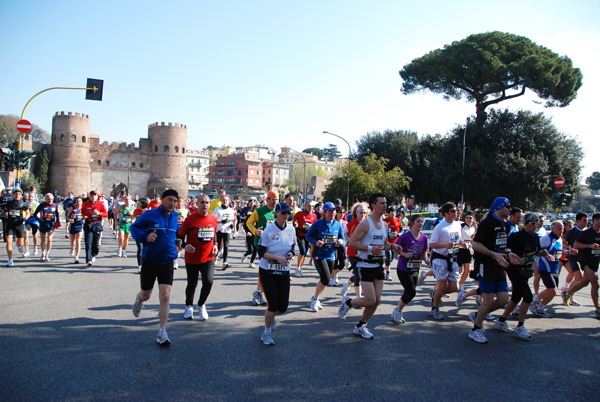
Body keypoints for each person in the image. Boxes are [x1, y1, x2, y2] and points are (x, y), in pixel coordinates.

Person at [338, 193, 402, 339]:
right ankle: (348, 301)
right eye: (381, 203)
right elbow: (352, 242)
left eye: (385, 203)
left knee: (377, 301)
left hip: (378, 265)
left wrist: (393, 247)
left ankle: (361, 326)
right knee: (370, 300)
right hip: (364, 265)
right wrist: (369, 249)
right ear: (373, 206)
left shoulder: (384, 224)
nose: (385, 206)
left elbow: (384, 244)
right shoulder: (366, 223)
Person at [130, 189, 180, 346]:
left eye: (175, 201)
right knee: (146, 294)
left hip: (167, 261)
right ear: (163, 200)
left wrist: (181, 245)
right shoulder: (150, 214)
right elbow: (134, 228)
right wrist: (145, 237)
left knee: (165, 296)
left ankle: (162, 331)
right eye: (170, 200)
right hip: (150, 260)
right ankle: (139, 300)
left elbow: (178, 234)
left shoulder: (176, 217)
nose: (172, 203)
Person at [468, 197, 519, 344]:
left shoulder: (504, 225)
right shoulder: (486, 223)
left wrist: (508, 253)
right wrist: (493, 254)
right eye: (508, 207)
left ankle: (478, 315)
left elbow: (502, 245)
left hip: (499, 265)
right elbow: (475, 244)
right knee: (488, 300)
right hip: (485, 265)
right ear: (499, 207)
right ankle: (475, 330)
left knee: (503, 299)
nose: (510, 210)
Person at [494, 212, 548, 340]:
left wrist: (542, 253)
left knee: (516, 296)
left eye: (537, 223)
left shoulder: (535, 237)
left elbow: (536, 251)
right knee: (528, 297)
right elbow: (504, 249)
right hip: (515, 270)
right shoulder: (516, 236)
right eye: (532, 223)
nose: (534, 226)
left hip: (526, 271)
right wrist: (513, 256)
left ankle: (501, 320)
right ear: (525, 223)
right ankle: (520, 326)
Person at [257, 202, 297, 345]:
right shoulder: (269, 230)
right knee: (273, 305)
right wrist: (277, 258)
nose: (286, 216)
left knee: (283, 307)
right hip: (268, 270)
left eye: (288, 213)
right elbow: (261, 252)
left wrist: (290, 254)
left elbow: (292, 246)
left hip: (283, 270)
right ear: (276, 214)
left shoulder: (291, 229)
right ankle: (266, 333)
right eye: (283, 213)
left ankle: (271, 316)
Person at [177, 194, 218, 321]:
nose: (205, 205)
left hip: (208, 257)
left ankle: (201, 304)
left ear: (209, 204)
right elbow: (178, 238)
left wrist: (215, 245)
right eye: (202, 202)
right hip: (192, 258)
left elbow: (214, 235)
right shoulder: (190, 219)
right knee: (192, 284)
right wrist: (185, 246)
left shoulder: (213, 219)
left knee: (208, 282)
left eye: (207, 202)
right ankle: (188, 306)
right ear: (197, 203)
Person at [427, 202, 465, 320]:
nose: (456, 213)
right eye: (453, 211)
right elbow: (432, 244)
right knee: (442, 286)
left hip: (452, 258)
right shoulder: (440, 227)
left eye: (456, 211)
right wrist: (445, 245)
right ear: (445, 213)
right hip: (440, 259)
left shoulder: (457, 225)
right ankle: (435, 309)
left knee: (455, 287)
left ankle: (435, 293)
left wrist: (464, 244)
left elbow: (458, 239)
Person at [306, 201, 345, 312]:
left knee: (326, 280)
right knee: (325, 278)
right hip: (319, 254)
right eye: (330, 211)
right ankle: (315, 299)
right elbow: (308, 236)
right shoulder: (318, 223)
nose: (332, 213)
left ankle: (316, 298)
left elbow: (342, 238)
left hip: (331, 255)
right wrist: (316, 242)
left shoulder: (337, 224)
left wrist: (341, 241)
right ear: (325, 212)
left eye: (334, 211)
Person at [392, 214, 430, 324]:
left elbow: (424, 252)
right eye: (418, 221)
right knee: (411, 292)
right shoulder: (405, 236)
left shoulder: (424, 238)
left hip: (415, 268)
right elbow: (395, 249)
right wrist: (404, 254)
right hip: (403, 268)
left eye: (422, 222)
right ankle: (397, 311)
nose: (421, 224)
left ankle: (397, 311)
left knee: (409, 293)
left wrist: (426, 259)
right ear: (412, 223)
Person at [530, 221, 571, 317]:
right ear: (552, 228)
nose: (561, 231)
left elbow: (560, 251)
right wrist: (545, 254)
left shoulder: (559, 239)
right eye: (559, 229)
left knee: (552, 293)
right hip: (545, 268)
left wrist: (569, 252)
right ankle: (534, 300)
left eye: (562, 229)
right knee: (553, 290)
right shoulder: (546, 239)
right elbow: (535, 249)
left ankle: (540, 308)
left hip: (554, 269)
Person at [246, 190, 278, 306]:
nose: (275, 202)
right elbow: (248, 223)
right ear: (268, 199)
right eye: (273, 199)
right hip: (261, 244)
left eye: (277, 199)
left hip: (274, 244)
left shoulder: (278, 211)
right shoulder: (259, 211)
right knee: (265, 269)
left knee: (269, 270)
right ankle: (258, 292)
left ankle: (259, 292)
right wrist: (256, 231)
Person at [567, 212, 600, 319]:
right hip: (586, 260)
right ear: (595, 220)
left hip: (595, 261)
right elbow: (576, 244)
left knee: (585, 282)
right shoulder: (587, 232)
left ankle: (568, 293)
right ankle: (598, 309)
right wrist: (590, 245)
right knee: (595, 284)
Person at [562, 213, 588, 306]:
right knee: (579, 277)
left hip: (583, 257)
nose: (587, 222)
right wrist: (569, 247)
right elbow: (563, 243)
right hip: (572, 256)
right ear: (578, 221)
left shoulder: (587, 231)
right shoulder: (572, 231)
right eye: (585, 220)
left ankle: (568, 294)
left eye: (587, 220)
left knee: (583, 279)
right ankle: (568, 295)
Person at [3, 188, 29, 266]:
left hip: (19, 224)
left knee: (20, 242)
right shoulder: (10, 203)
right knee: (8, 241)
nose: (17, 195)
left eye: (19, 194)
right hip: (10, 223)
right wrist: (5, 215)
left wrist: (25, 218)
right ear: (13, 195)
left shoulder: (23, 204)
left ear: (21, 196)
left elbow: (28, 213)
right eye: (16, 194)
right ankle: (10, 259)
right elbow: (5, 211)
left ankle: (20, 245)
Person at [81, 190, 108, 267]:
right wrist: (84, 216)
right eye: (92, 195)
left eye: (95, 195)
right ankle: (88, 259)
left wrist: (99, 213)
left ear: (97, 197)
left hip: (97, 224)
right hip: (89, 224)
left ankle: (93, 254)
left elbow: (106, 214)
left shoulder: (100, 204)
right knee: (88, 242)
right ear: (89, 196)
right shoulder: (86, 204)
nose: (93, 197)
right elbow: (82, 211)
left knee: (95, 243)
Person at [292, 199, 317, 277]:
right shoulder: (299, 213)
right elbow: (293, 220)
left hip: (308, 236)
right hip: (300, 235)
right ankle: (297, 268)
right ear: (305, 206)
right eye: (309, 206)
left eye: (312, 206)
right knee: (302, 251)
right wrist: (295, 224)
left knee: (305, 253)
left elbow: (314, 226)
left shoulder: (314, 215)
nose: (310, 208)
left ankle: (299, 268)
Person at [33, 193, 60, 262]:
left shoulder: (54, 205)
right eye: (48, 199)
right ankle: (43, 253)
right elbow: (35, 214)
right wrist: (40, 220)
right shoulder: (42, 205)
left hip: (51, 224)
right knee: (43, 240)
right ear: (45, 199)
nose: (50, 200)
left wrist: (58, 221)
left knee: (49, 239)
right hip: (43, 224)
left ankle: (47, 254)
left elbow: (57, 214)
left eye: (51, 199)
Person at [213, 194, 235, 270]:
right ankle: (215, 258)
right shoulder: (217, 209)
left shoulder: (231, 210)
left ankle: (224, 262)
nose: (225, 201)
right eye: (223, 200)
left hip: (227, 231)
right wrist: (221, 221)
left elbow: (232, 220)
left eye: (226, 200)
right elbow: (213, 220)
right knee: (218, 246)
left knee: (226, 246)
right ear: (221, 201)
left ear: (228, 201)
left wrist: (232, 226)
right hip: (219, 230)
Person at [457, 211, 476, 291]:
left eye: (470, 218)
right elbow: (457, 236)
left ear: (474, 219)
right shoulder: (461, 226)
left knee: (467, 270)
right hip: (460, 249)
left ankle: (460, 285)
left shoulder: (474, 227)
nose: (468, 219)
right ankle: (452, 284)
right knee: (459, 270)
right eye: (466, 217)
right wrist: (463, 243)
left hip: (469, 251)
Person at [383, 207, 402, 281]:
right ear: (389, 213)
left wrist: (399, 233)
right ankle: (388, 273)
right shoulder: (385, 221)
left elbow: (401, 229)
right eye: (392, 212)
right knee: (389, 257)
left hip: (395, 242)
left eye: (394, 212)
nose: (393, 213)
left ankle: (385, 263)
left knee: (391, 259)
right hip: (387, 242)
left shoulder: (398, 220)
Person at [133, 198, 149, 273]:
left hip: (147, 232)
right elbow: (133, 219)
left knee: (147, 248)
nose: (137, 205)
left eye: (139, 204)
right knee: (140, 248)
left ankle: (147, 265)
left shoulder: (148, 212)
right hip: (138, 232)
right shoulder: (136, 211)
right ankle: (140, 266)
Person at [66, 197, 84, 263]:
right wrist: (69, 220)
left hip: (80, 226)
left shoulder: (83, 209)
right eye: (77, 201)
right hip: (73, 226)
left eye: (80, 201)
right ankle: (72, 248)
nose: (78, 203)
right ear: (75, 203)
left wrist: (84, 218)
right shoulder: (72, 209)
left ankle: (76, 257)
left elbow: (86, 216)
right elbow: (67, 217)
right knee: (72, 241)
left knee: (78, 241)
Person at [241, 200, 259, 268]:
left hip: (256, 235)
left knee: (256, 249)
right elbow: (246, 225)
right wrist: (247, 232)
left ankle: (251, 262)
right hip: (249, 235)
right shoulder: (250, 216)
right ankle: (245, 255)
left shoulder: (260, 217)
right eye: (256, 209)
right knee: (251, 250)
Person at [24, 191, 40, 256]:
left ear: (34, 197)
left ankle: (35, 248)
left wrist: (34, 213)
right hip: (28, 221)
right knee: (26, 234)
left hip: (35, 221)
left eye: (32, 197)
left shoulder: (37, 204)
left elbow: (39, 213)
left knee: (35, 235)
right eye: (29, 197)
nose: (30, 198)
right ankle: (26, 250)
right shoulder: (26, 204)